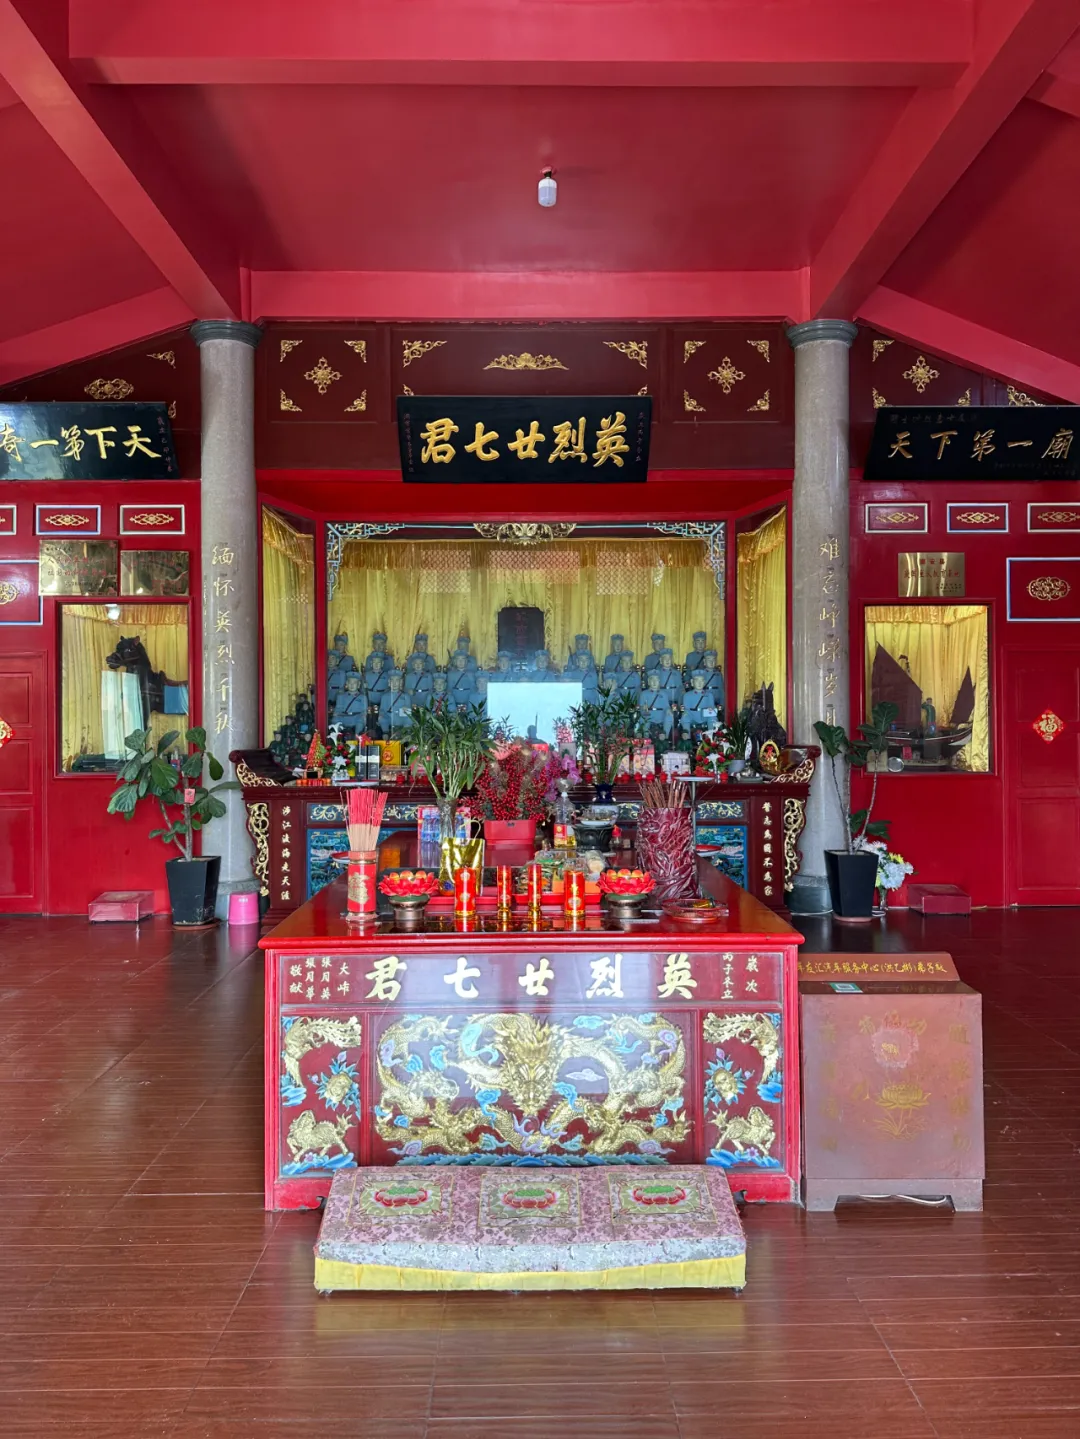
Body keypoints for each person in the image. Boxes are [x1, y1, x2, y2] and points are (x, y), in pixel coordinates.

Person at [679, 670, 717, 737]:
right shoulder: (687, 695)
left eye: (701, 680)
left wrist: (711, 709)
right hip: (692, 716)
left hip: (704, 716)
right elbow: (686, 709)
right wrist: (685, 713)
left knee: (712, 716)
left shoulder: (709, 695)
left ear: (704, 682)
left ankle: (710, 737)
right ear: (692, 682)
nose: (699, 683)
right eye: (696, 680)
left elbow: (712, 707)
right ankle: (687, 737)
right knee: (685, 716)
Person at [639, 670, 673, 738]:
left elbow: (666, 706)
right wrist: (643, 708)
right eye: (652, 680)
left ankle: (665, 736)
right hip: (649, 715)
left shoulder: (664, 694)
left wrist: (668, 710)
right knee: (644, 717)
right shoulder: (644, 694)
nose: (654, 682)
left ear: (659, 681)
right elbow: (640, 707)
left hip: (661, 715)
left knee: (669, 716)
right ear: (648, 681)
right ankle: (646, 737)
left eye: (656, 680)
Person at [379, 671, 412, 735]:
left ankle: (406, 734)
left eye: (397, 681)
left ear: (401, 683)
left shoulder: (406, 696)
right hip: (389, 719)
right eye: (392, 681)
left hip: (401, 719)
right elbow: (382, 710)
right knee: (382, 719)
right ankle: (385, 732)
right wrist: (382, 715)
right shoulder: (385, 696)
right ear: (389, 683)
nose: (394, 683)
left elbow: (408, 712)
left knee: (409, 719)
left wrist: (405, 710)